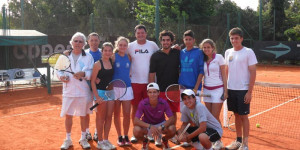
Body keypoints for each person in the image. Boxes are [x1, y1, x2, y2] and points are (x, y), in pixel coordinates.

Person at [59, 32, 94, 150]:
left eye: (80, 41)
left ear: (84, 44)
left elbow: (91, 72)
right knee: (68, 116)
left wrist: (83, 74)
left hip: (83, 91)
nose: (78, 43)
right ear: (71, 42)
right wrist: (61, 77)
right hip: (68, 91)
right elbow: (58, 71)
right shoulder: (64, 56)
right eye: (76, 41)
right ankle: (68, 139)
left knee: (83, 116)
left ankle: (83, 138)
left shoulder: (88, 57)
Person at [224, 27, 257, 150]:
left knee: (244, 116)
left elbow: (253, 72)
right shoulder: (228, 52)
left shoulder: (248, 52)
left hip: (243, 90)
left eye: (236, 38)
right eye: (232, 38)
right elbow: (226, 71)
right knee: (236, 115)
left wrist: (249, 92)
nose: (234, 40)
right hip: (231, 89)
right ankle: (238, 141)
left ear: (241, 38)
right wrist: (226, 89)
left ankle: (245, 144)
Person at [127, 24, 159, 143]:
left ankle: (150, 133)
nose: (140, 35)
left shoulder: (153, 45)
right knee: (135, 108)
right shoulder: (130, 46)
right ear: (135, 34)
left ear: (146, 33)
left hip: (149, 83)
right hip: (134, 82)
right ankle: (135, 133)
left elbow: (161, 56)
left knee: (150, 108)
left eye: (142, 32)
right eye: (138, 33)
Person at [149, 30, 180, 145]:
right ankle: (158, 137)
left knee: (173, 114)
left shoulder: (177, 53)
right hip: (160, 90)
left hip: (174, 90)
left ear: (171, 41)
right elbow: (152, 74)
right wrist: (152, 91)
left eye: (168, 40)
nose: (165, 42)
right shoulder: (155, 56)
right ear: (160, 41)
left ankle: (171, 135)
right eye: (163, 40)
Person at [199, 39, 228, 149]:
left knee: (215, 117)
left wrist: (226, 91)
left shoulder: (219, 58)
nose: (206, 49)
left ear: (213, 48)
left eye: (208, 47)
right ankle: (213, 139)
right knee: (209, 117)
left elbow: (224, 76)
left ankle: (218, 141)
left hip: (218, 90)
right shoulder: (202, 59)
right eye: (204, 47)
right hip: (206, 91)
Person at [133, 82, 176, 150]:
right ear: (147, 93)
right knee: (136, 130)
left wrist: (161, 126)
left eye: (154, 92)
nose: (152, 94)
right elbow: (136, 121)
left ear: (158, 93)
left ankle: (164, 140)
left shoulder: (163, 102)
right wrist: (150, 126)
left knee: (172, 128)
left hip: (161, 125)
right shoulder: (143, 103)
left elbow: (172, 118)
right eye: (150, 92)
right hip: (148, 125)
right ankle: (145, 141)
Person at [91, 42, 116, 150]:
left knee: (109, 117)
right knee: (101, 118)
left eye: (109, 50)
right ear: (102, 51)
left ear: (112, 52)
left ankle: (106, 140)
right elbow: (92, 81)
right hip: (100, 93)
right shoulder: (97, 64)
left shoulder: (112, 61)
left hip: (110, 93)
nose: (107, 52)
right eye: (105, 50)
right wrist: (97, 97)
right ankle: (100, 141)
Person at [112, 36, 134, 146]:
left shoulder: (129, 57)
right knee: (116, 114)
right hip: (115, 89)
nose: (122, 47)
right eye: (120, 45)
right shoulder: (113, 57)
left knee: (126, 114)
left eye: (125, 45)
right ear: (117, 45)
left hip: (127, 88)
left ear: (127, 46)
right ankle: (119, 136)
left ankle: (126, 136)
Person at [85, 32, 102, 141]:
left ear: (99, 41)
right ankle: (87, 132)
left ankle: (97, 132)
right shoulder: (85, 53)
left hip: (99, 89)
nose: (94, 42)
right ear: (88, 42)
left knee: (98, 111)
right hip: (86, 88)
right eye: (92, 40)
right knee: (86, 110)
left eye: (96, 40)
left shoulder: (103, 53)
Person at [179, 30, 204, 102]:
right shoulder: (181, 52)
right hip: (183, 88)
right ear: (183, 40)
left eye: (190, 39)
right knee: (184, 111)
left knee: (195, 112)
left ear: (194, 40)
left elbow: (201, 71)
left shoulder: (199, 52)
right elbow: (180, 69)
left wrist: (195, 88)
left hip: (195, 88)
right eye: (186, 39)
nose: (188, 41)